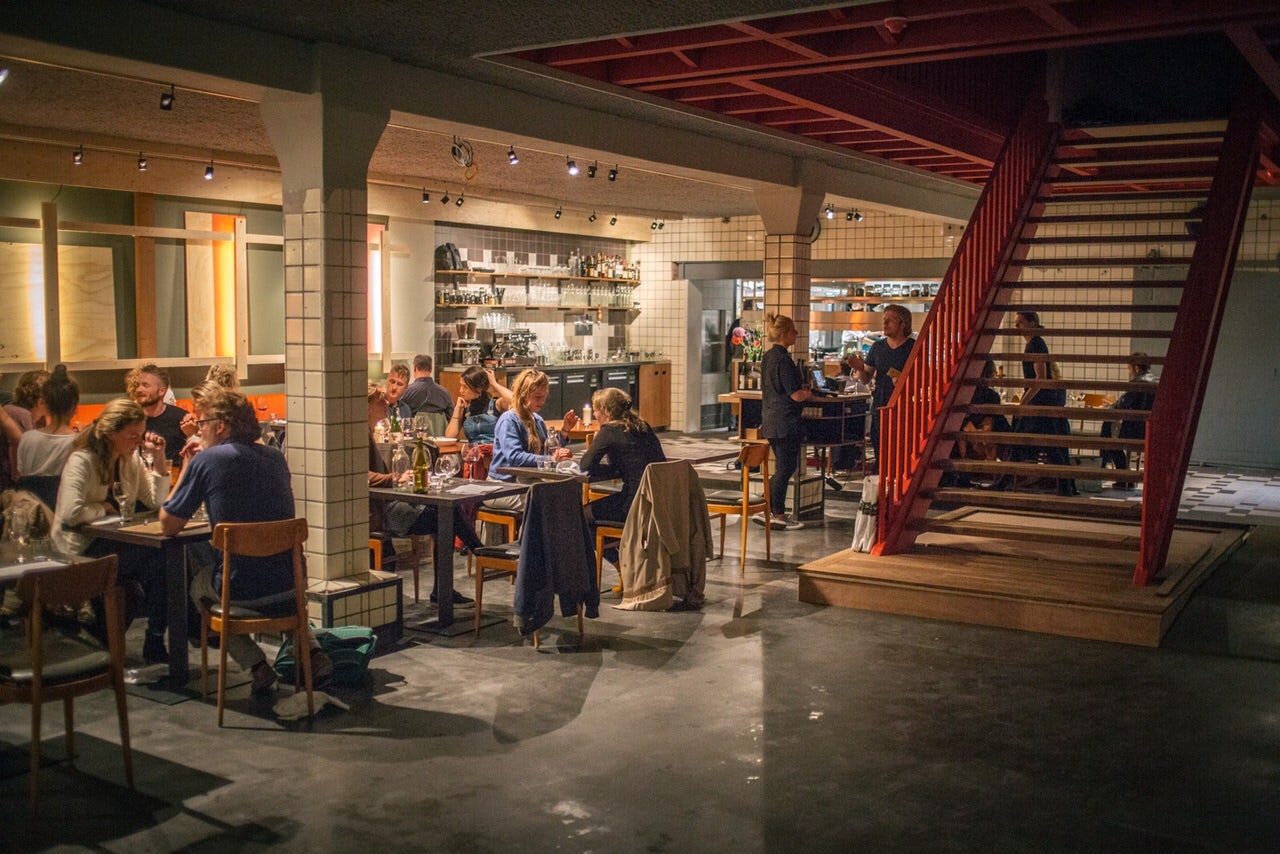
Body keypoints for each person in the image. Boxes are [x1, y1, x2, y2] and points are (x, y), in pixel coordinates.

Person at [160, 388, 328, 692]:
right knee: (222, 559)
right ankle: (312, 652)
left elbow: (169, 525)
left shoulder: (206, 460)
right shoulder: (276, 457)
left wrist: (187, 466)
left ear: (220, 425)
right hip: (292, 587)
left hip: (240, 591)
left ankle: (255, 664)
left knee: (198, 583)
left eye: (202, 423)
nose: (199, 430)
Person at [52, 398, 172, 663]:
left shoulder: (131, 460)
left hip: (114, 542)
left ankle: (153, 638)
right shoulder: (81, 461)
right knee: (158, 560)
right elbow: (72, 513)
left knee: (167, 560)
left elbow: (156, 501)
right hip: (81, 547)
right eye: (132, 436)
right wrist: (102, 508)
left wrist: (159, 459)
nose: (138, 442)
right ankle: (108, 643)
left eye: (140, 435)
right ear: (110, 434)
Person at [366, 385, 483, 604]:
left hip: (387, 502)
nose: (386, 403)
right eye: (380, 400)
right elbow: (358, 476)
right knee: (445, 516)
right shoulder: (358, 434)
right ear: (366, 407)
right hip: (381, 512)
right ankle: (480, 555)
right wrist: (394, 478)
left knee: (446, 511)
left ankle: (448, 584)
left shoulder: (368, 432)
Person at [483, 370, 579, 522]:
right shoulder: (509, 419)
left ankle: (553, 544)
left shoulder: (537, 420)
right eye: (537, 397)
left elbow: (547, 450)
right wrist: (550, 459)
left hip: (526, 482)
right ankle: (531, 544)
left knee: (564, 497)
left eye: (544, 396)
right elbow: (515, 457)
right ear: (523, 394)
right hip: (502, 486)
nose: (542, 401)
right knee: (545, 502)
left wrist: (565, 430)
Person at [1006, 312, 1076, 496]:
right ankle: (1065, 487)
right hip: (1044, 400)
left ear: (1032, 323)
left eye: (1020, 323)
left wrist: (1023, 402)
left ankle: (1005, 481)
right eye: (1016, 323)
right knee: (1050, 447)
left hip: (1041, 402)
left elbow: (1040, 378)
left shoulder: (1035, 344)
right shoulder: (1035, 343)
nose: (1017, 327)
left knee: (1021, 442)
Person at [754, 313, 812, 531]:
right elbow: (795, 395)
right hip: (787, 422)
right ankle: (775, 511)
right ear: (786, 333)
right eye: (794, 330)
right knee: (785, 468)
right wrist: (808, 393)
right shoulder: (784, 360)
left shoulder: (768, 357)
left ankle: (770, 508)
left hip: (770, 419)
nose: (796, 334)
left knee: (781, 466)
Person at [580, 387, 666, 526]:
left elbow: (585, 465)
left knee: (582, 514)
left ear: (606, 411)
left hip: (634, 503)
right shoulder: (643, 426)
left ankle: (601, 547)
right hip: (659, 502)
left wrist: (598, 445)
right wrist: (615, 469)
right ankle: (610, 546)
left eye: (596, 410)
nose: (595, 415)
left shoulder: (609, 430)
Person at [846, 304, 915, 471]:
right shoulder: (877, 348)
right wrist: (860, 368)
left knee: (900, 451)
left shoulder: (913, 347)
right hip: (879, 406)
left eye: (889, 321)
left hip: (903, 408)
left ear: (903, 323)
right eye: (884, 320)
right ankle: (880, 488)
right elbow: (866, 379)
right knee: (880, 450)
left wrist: (905, 381)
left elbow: (923, 377)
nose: (884, 324)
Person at [1101, 353, 1157, 490]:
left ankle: (1120, 475)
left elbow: (1124, 404)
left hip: (1135, 429)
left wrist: (1108, 407)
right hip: (1149, 427)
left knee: (1108, 436)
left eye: (1129, 368)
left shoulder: (1138, 382)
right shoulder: (1156, 379)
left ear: (1136, 368)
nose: (1129, 372)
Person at [17, 363, 79, 477]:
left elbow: (21, 474)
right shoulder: (79, 442)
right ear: (74, 407)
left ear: (45, 403)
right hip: (63, 494)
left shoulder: (27, 438)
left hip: (29, 494)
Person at [126, 363, 187, 465]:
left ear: (161, 391)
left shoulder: (180, 418)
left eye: (145, 385)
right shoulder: (129, 418)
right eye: (138, 385)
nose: (138, 390)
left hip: (172, 476)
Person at [1, 369, 47, 489]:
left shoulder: (27, 414)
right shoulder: (20, 414)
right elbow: (19, 448)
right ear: (41, 400)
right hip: (8, 485)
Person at [444, 365, 512, 443]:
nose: (461, 390)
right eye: (461, 386)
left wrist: (494, 383)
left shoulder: (496, 404)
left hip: (495, 452)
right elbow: (449, 437)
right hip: (474, 452)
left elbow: (514, 400)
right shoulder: (466, 410)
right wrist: (457, 409)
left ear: (479, 389)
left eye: (465, 387)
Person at [399, 354, 453, 428]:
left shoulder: (406, 392)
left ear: (415, 368)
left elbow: (401, 416)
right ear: (431, 369)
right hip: (441, 437)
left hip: (414, 437)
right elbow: (452, 418)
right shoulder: (445, 393)